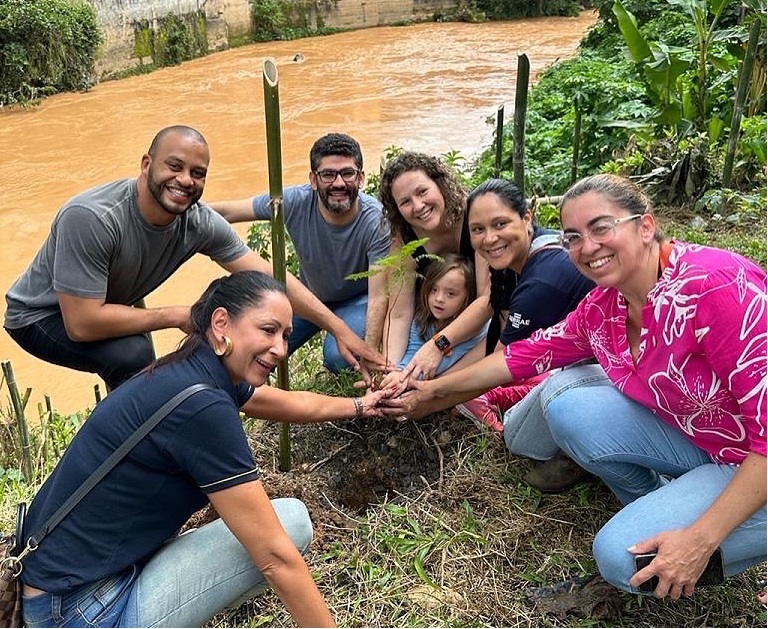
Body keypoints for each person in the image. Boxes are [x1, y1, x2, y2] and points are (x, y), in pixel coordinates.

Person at [383, 174, 766, 598]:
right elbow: (520, 358)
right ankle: (661, 504)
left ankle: (720, 531)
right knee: (567, 404)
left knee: (621, 557)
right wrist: (431, 392)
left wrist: (700, 537)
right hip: (707, 441)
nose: (587, 247)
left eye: (601, 228)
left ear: (645, 226)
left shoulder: (716, 286)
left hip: (754, 458)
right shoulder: (605, 306)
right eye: (573, 237)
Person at [20, 270, 387, 628]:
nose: (280, 348)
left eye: (286, 335)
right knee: (289, 526)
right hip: (78, 612)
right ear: (221, 323)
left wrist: (360, 406)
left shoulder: (187, 372)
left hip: (57, 587)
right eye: (268, 330)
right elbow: (274, 557)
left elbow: (281, 403)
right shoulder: (203, 408)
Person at [3, 125, 384, 391]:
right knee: (134, 354)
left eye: (197, 173)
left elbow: (272, 278)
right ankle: (130, 442)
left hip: (102, 306)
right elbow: (82, 324)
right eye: (175, 166)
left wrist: (340, 329)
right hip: (41, 316)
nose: (185, 180)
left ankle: (152, 426)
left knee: (213, 333)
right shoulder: (92, 218)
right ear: (146, 164)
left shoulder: (197, 221)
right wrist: (176, 316)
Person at [453, 178, 596, 492]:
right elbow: (504, 337)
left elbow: (505, 360)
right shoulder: (521, 254)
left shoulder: (544, 279)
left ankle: (583, 450)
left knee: (518, 439)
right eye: (478, 229)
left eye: (500, 223)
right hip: (585, 355)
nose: (489, 238)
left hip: (609, 369)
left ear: (527, 217)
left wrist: (429, 395)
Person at [210, 133, 391, 373]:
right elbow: (229, 211)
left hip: (357, 299)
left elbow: (379, 295)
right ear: (313, 180)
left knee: (340, 358)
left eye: (347, 173)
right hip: (308, 297)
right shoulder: (295, 201)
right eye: (328, 174)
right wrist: (181, 214)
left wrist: (369, 354)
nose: (338, 183)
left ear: (361, 178)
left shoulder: (377, 221)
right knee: (250, 347)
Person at [377, 152, 491, 380]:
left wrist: (437, 346)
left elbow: (487, 301)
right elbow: (399, 312)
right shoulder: (405, 239)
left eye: (422, 192)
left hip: (484, 320)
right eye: (405, 202)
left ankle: (442, 387)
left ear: (440, 185)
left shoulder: (475, 218)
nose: (418, 206)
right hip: (433, 316)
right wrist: (390, 371)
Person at [380, 253, 487, 383]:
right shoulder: (423, 318)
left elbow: (443, 364)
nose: (439, 299)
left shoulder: (474, 328)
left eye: (450, 294)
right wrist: (398, 372)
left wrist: (403, 379)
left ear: (467, 299)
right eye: (434, 290)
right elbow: (414, 350)